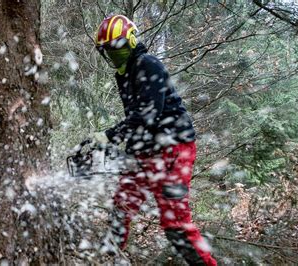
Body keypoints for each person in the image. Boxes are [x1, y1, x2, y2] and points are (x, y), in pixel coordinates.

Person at [93, 15, 217, 266]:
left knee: (175, 223)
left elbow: (149, 113)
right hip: (144, 149)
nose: (114, 53)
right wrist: (124, 150)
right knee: (122, 206)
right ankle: (106, 258)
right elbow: (136, 117)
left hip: (174, 148)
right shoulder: (124, 73)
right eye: (108, 50)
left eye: (118, 47)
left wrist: (110, 135)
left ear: (130, 41)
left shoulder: (147, 64)